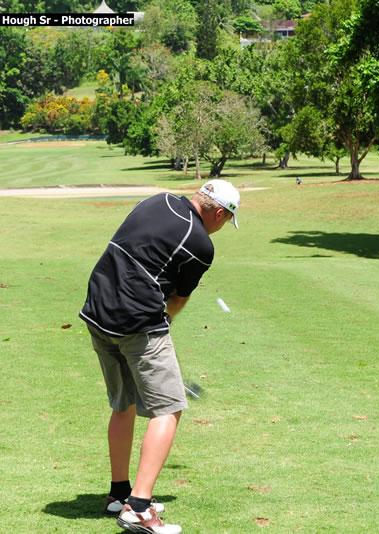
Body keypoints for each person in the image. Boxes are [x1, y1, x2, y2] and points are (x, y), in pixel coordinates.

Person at [79, 179, 240, 534]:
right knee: (168, 409)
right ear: (217, 212)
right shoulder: (201, 245)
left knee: (124, 404)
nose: (223, 226)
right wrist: (162, 325)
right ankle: (137, 508)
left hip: (98, 310)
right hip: (138, 323)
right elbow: (178, 299)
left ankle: (118, 495)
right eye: (227, 219)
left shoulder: (158, 200)